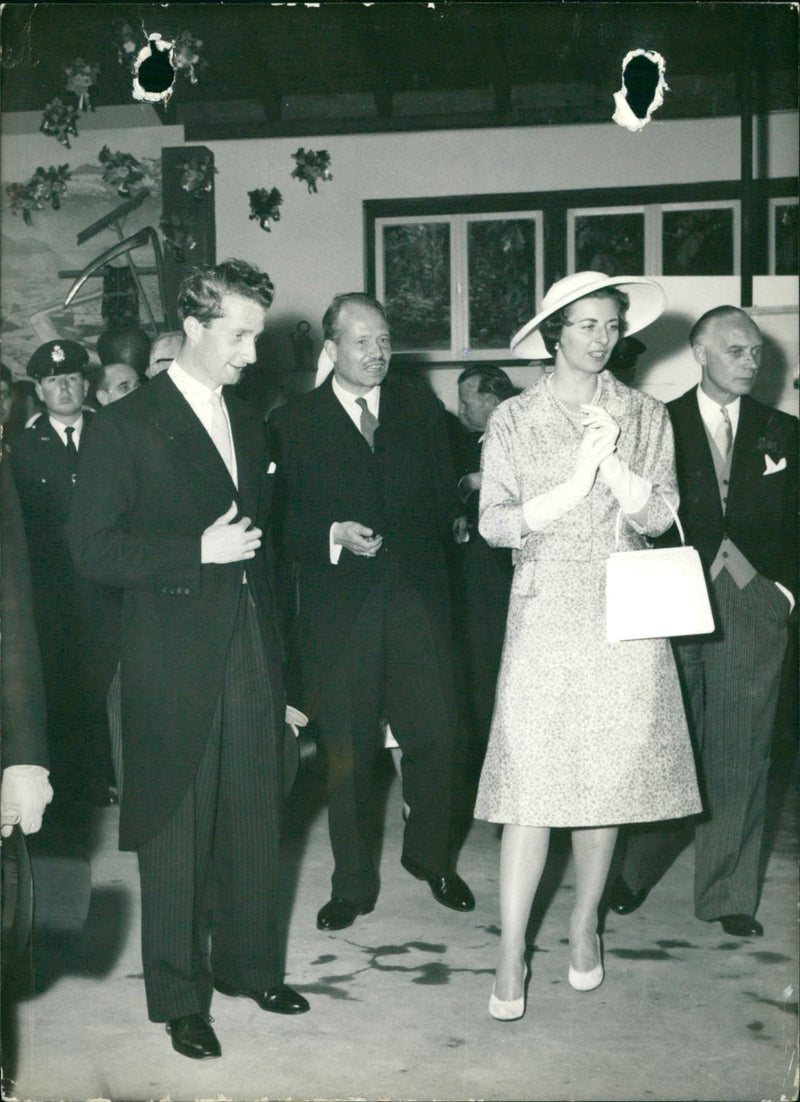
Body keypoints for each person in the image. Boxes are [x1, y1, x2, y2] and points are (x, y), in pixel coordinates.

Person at [68, 260, 309, 1061]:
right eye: (238, 335)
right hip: (168, 655)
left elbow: (267, 559)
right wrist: (192, 552)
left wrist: (284, 678)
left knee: (253, 816)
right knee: (174, 827)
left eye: (256, 335)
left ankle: (247, 968)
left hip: (249, 647)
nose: (250, 352)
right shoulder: (124, 423)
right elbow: (92, 549)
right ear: (196, 329)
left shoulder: (252, 421)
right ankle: (178, 997)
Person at [474, 271, 701, 1021]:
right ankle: (511, 952)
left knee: (605, 782)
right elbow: (494, 523)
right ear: (555, 334)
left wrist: (614, 470)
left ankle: (583, 924)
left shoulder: (644, 414)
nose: (603, 339)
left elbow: (665, 513)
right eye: (588, 325)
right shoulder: (513, 416)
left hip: (621, 606)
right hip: (543, 607)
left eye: (612, 326)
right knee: (529, 789)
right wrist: (574, 483)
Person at [270, 292, 475, 933]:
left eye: (384, 340)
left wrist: (455, 515)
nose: (378, 352)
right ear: (331, 349)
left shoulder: (419, 408)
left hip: (418, 599)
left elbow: (446, 490)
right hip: (342, 610)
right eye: (363, 341)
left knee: (440, 735)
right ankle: (352, 884)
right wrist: (332, 533)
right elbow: (277, 523)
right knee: (349, 753)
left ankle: (431, 857)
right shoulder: (293, 421)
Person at [609, 306, 798, 938]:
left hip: (753, 603)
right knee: (664, 741)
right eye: (736, 350)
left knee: (743, 751)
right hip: (673, 598)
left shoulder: (784, 432)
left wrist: (784, 594)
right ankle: (633, 872)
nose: (750, 362)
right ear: (701, 353)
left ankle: (727, 894)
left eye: (755, 353)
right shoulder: (658, 423)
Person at [9, 340, 114, 807]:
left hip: (110, 590)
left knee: (110, 685)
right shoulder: (23, 449)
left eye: (71, 378)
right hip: (53, 593)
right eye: (53, 380)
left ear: (86, 384)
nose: (64, 387)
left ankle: (113, 776)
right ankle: (73, 785)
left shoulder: (114, 435)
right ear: (40, 390)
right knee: (61, 687)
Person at [452, 365, 516, 767]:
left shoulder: (519, 438)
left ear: (492, 401)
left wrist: (480, 481)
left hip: (507, 578)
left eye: (466, 401)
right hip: (479, 579)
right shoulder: (469, 442)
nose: (459, 410)